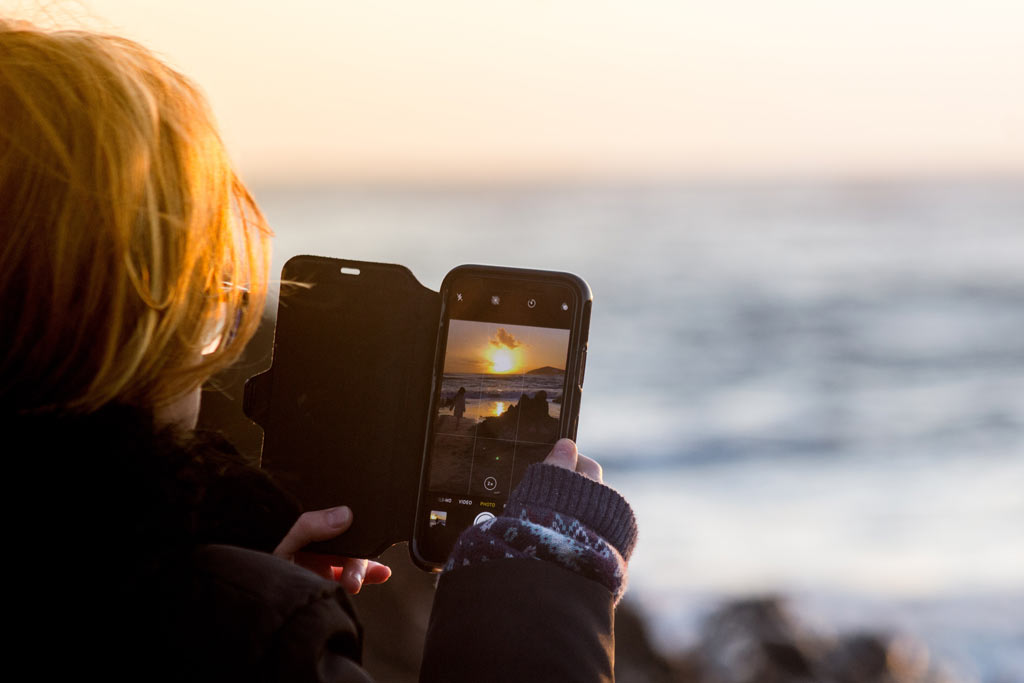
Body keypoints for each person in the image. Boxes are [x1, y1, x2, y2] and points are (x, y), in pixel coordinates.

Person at [0, 19, 637, 682]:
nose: (219, 355)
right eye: (211, 297)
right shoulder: (236, 633)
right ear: (131, 325)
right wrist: (539, 589)